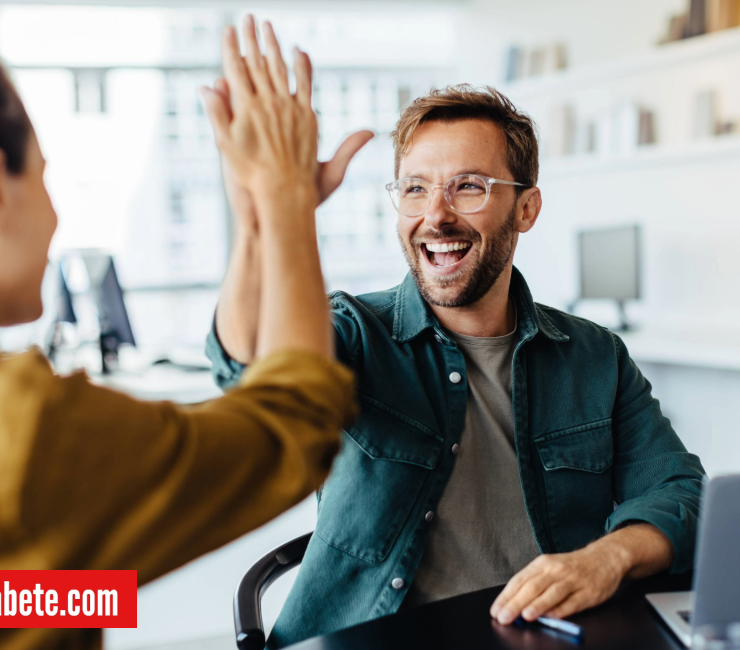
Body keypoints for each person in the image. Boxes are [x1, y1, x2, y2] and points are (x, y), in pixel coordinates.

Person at [0, 13, 355, 650]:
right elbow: (293, 425)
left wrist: (253, 229)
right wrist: (285, 196)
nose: (55, 216)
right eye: (44, 175)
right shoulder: (17, 426)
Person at [207, 83, 706, 646]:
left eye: (468, 187)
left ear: (526, 209)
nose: (436, 216)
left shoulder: (595, 356)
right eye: (415, 189)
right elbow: (246, 363)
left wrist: (608, 557)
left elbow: (681, 491)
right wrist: (261, 219)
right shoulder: (354, 333)